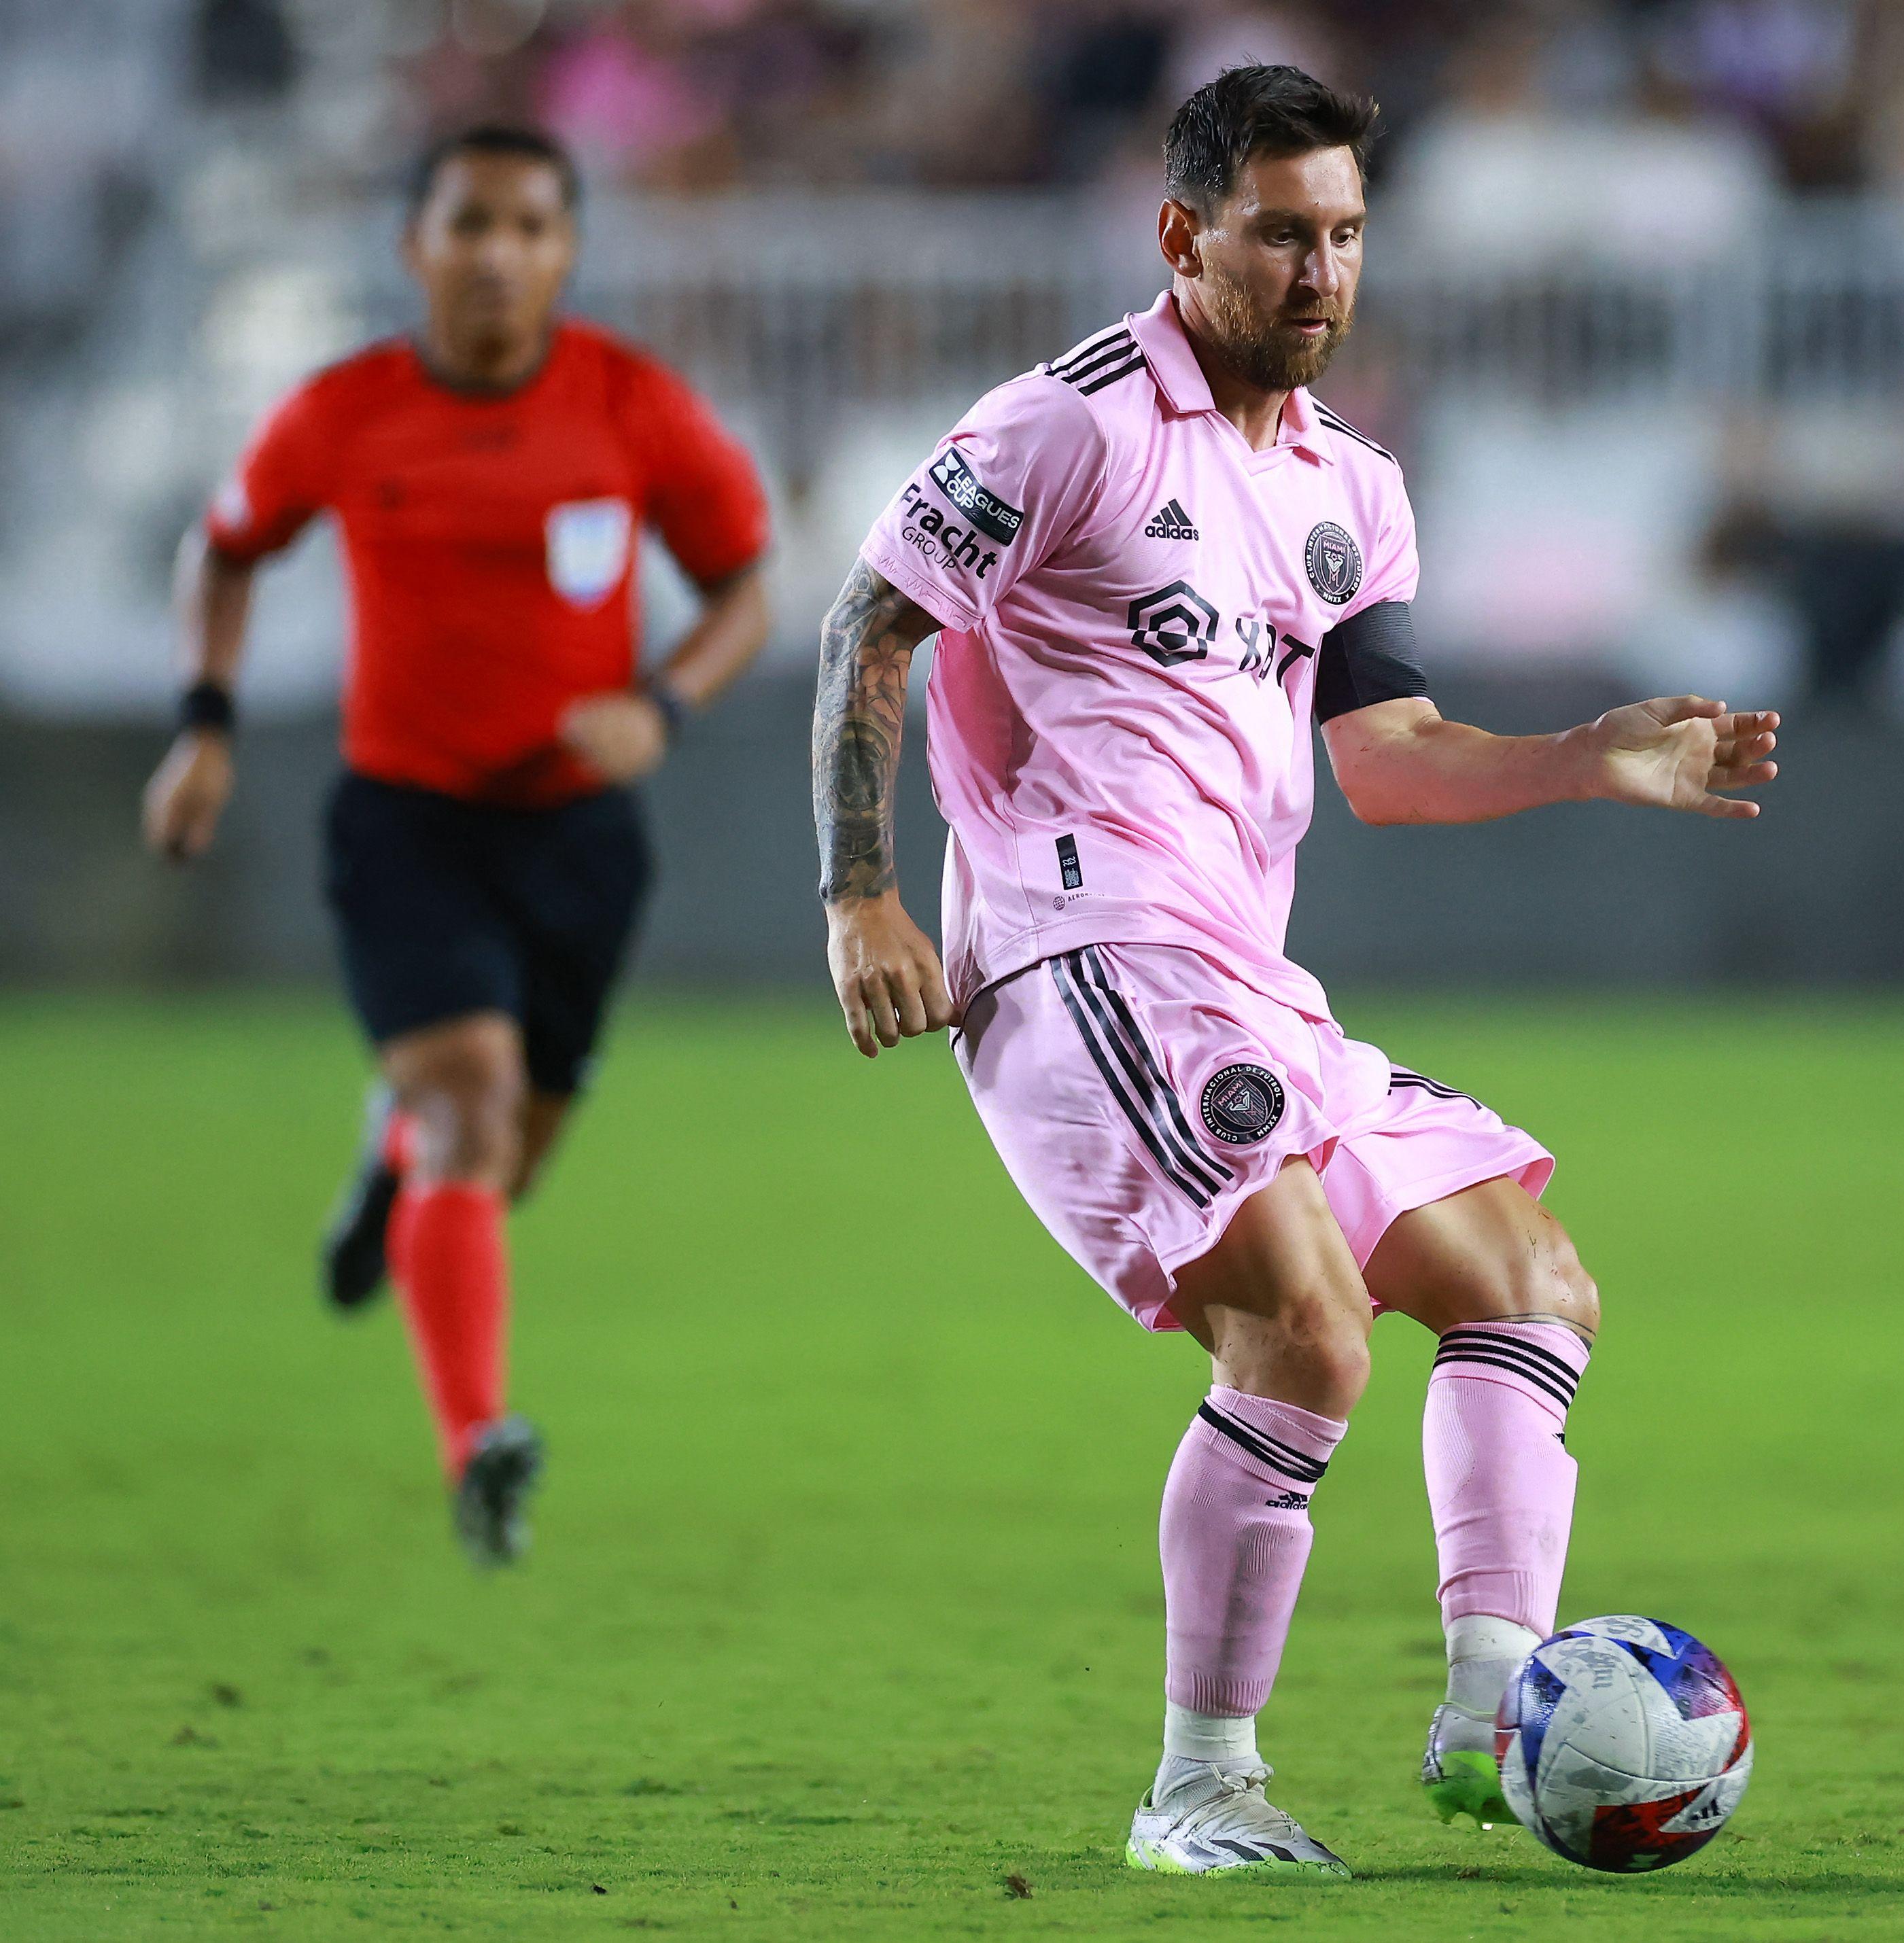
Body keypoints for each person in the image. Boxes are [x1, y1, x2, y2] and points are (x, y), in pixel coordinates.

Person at [808, 66, 1780, 1876]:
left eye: (1343, 233)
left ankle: (1501, 1703)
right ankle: (1198, 1787)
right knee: (1306, 1326)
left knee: (1528, 1277)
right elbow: (875, 621)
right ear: (1185, 236)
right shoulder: (1068, 426)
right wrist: (863, 893)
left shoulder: (1350, 485)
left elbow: (1390, 757)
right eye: (1279, 232)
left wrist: (1592, 753)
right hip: (1077, 954)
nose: (1319, 270)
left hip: (1242, 982)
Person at [140, 126, 774, 1564]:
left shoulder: (630, 405)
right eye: (470, 222)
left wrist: (663, 702)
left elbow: (743, 580)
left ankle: (392, 1159)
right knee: (475, 1108)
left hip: (579, 838)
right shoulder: (343, 413)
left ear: (566, 251)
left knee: (505, 1160)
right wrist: (205, 724)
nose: (498, 252)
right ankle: (476, 1439)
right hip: (409, 821)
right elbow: (225, 546)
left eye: (530, 226)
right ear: (414, 245)